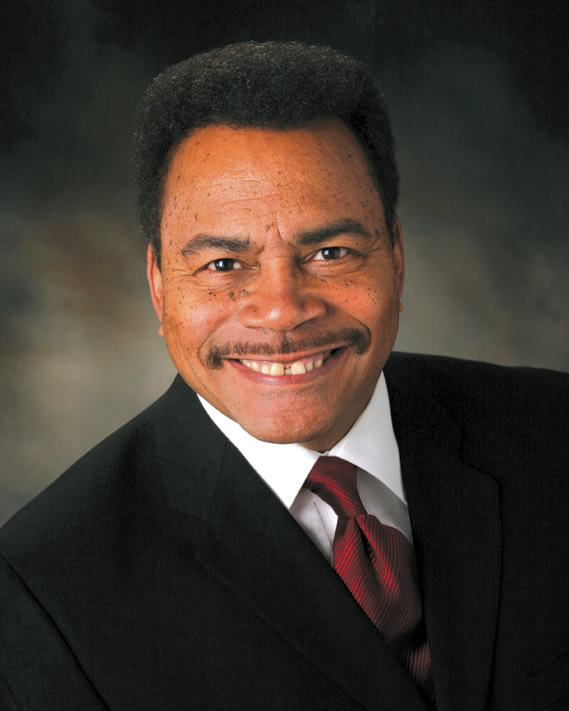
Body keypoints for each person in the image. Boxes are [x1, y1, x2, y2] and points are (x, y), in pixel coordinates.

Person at [0, 41, 567, 711]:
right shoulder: (39, 595)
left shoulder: (551, 431)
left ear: (395, 257)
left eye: (330, 252)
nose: (281, 310)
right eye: (222, 265)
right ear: (158, 285)